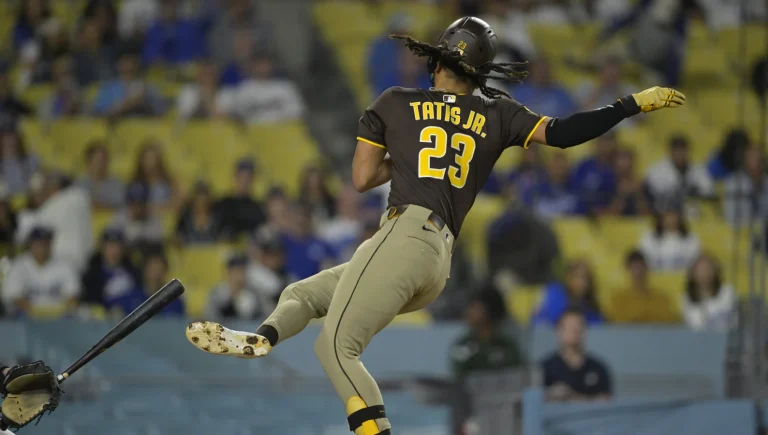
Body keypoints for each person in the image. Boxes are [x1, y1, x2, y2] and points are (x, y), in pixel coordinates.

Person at [185, 17, 684, 434]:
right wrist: (630, 103)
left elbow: (361, 178)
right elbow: (567, 133)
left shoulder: (396, 102)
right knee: (305, 293)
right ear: (481, 71)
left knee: (335, 347)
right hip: (434, 261)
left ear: (437, 61)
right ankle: (262, 338)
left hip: (404, 233)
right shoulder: (498, 111)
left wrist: (405, 157)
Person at [1, 226, 80, 318]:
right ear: (31, 244)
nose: (43, 247)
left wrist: (54, 312)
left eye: (46, 243)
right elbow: (13, 297)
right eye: (39, 243)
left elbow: (72, 296)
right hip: (27, 318)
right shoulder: (18, 266)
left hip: (59, 317)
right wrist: (36, 311)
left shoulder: (65, 265)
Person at [540, 308, 612, 402]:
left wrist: (571, 397)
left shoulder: (598, 369)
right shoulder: (545, 369)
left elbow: (605, 402)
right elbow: (534, 403)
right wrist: (551, 394)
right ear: (559, 331)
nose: (575, 332)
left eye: (579, 327)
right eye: (570, 327)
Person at [449, 286, 523, 377]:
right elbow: (459, 375)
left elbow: (518, 373)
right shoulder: (463, 345)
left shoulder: (507, 347)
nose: (468, 312)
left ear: (489, 310)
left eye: (474, 308)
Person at [218, 55, 304, 125]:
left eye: (266, 64)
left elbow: (298, 116)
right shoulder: (243, 89)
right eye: (259, 64)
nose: (263, 67)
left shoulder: (285, 87)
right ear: (253, 66)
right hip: (253, 136)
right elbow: (230, 114)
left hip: (282, 132)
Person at [608, 250, 678, 323]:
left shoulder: (661, 299)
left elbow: (668, 323)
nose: (638, 272)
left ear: (647, 268)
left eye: (641, 267)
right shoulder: (618, 299)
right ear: (627, 268)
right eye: (634, 267)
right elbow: (616, 323)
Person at [645, 135, 714, 209]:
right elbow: (655, 193)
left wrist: (694, 191)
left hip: (693, 209)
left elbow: (708, 189)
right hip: (666, 211)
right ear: (670, 151)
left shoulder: (698, 169)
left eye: (683, 150)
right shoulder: (657, 170)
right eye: (677, 150)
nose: (680, 154)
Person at [107, 249, 184, 316]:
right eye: (152, 269)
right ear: (145, 270)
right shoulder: (131, 297)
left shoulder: (174, 302)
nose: (155, 274)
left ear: (165, 272)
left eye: (159, 269)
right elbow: (112, 307)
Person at [91, 52, 166, 119]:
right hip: (116, 128)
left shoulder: (147, 86)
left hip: (143, 126)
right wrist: (125, 106)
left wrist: (144, 98)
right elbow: (98, 111)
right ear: (118, 64)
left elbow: (161, 111)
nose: (127, 64)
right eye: (124, 61)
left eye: (130, 61)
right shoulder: (109, 87)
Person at [80, 228, 141, 308]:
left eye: (117, 247)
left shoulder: (134, 272)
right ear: (102, 248)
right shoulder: (91, 276)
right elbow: (89, 302)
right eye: (110, 246)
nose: (114, 251)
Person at [533, 260, 604, 326]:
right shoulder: (553, 294)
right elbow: (538, 321)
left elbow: (598, 329)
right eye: (577, 276)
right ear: (568, 277)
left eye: (585, 278)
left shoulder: (590, 309)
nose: (581, 282)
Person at [142, 0, 208, 65]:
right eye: (166, 5)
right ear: (161, 7)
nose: (169, 9)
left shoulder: (190, 28)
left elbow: (201, 54)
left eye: (173, 4)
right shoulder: (154, 30)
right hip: (161, 72)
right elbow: (147, 57)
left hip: (188, 71)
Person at [682, 254, 737, 331]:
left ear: (715, 271)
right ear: (692, 274)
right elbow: (696, 325)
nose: (705, 273)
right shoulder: (687, 299)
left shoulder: (728, 292)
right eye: (701, 270)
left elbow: (730, 320)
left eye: (708, 268)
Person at [215, 158, 266, 239]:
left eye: (248, 178)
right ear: (235, 178)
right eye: (241, 177)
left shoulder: (257, 208)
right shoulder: (223, 204)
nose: (244, 182)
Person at [205, 253, 266, 320]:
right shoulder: (217, 292)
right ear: (229, 273)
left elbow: (263, 316)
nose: (240, 276)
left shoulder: (254, 292)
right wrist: (231, 297)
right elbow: (211, 317)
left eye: (242, 271)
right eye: (237, 271)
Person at [638, 205, 700, 271]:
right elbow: (639, 260)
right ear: (660, 217)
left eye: (673, 215)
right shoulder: (649, 238)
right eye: (667, 215)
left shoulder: (690, 238)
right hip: (656, 279)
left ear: (679, 217)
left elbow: (697, 262)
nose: (671, 219)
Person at [570, 132, 618, 215]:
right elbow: (575, 190)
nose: (606, 146)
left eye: (609, 141)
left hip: (608, 215)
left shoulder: (616, 168)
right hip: (581, 213)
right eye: (603, 141)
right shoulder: (584, 166)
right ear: (597, 143)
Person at [723, 144, 768, 227]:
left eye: (758, 157)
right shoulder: (734, 182)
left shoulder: (766, 181)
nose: (756, 161)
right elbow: (731, 216)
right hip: (741, 229)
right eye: (751, 157)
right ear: (744, 160)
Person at [110, 182, 165, 250]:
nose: (138, 208)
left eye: (141, 203)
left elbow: (157, 242)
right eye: (134, 203)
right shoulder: (121, 215)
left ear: (146, 204)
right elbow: (111, 238)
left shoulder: (154, 217)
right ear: (129, 204)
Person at [76, 140, 125, 209]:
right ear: (88, 162)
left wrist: (96, 205)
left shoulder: (116, 183)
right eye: (97, 160)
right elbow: (77, 204)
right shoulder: (80, 182)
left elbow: (120, 204)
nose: (100, 165)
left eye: (103, 160)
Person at [246, 228, 287, 311]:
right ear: (263, 256)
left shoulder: (284, 273)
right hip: (252, 317)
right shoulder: (254, 271)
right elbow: (274, 289)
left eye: (277, 255)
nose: (274, 259)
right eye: (271, 255)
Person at [131, 138, 178, 208]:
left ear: (159, 161)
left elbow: (177, 203)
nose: (148, 162)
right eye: (145, 158)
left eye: (151, 158)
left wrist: (158, 208)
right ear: (140, 161)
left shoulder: (169, 182)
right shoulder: (135, 184)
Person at [603, 147, 649, 216]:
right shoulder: (606, 183)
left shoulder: (641, 184)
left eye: (628, 159)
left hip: (637, 225)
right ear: (614, 163)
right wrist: (622, 195)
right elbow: (606, 216)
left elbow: (646, 215)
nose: (625, 164)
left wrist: (639, 194)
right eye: (622, 159)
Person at [174, 180, 222, 245]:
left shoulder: (218, 217)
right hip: (189, 253)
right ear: (194, 200)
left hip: (212, 252)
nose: (202, 203)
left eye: (204, 200)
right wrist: (179, 240)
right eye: (199, 199)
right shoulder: (185, 217)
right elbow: (177, 235)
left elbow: (223, 237)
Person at [0, 122, 39, 195]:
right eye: (5, 137)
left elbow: (37, 184)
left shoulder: (30, 160)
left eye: (12, 137)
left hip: (30, 201)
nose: (9, 141)